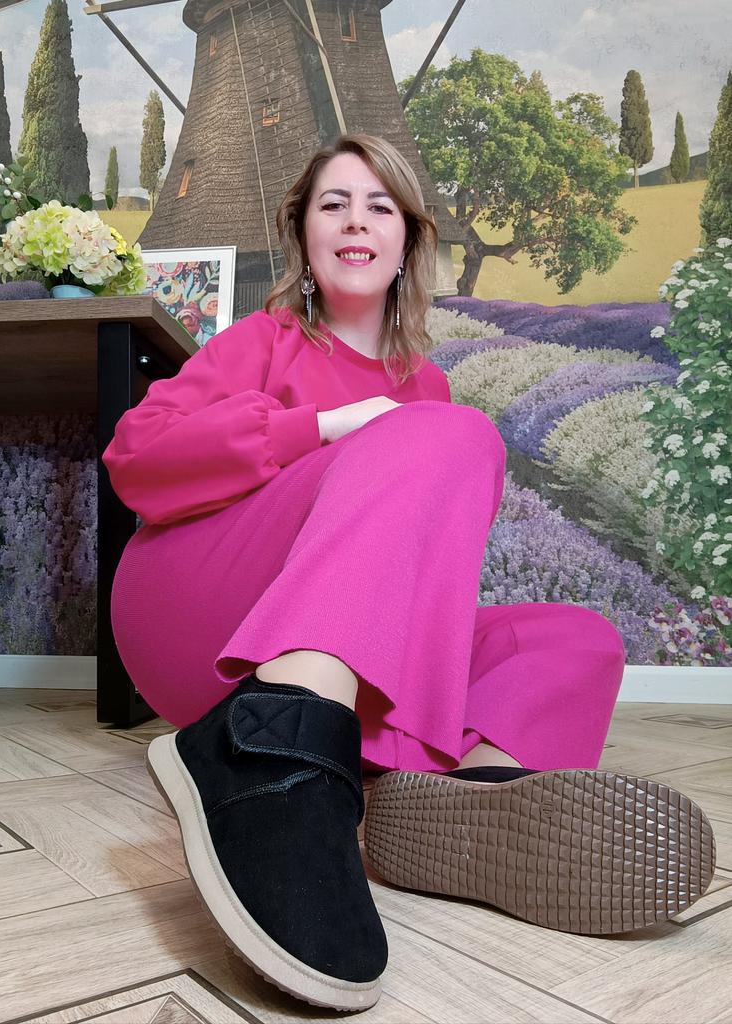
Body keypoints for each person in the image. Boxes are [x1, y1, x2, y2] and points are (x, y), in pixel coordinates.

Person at [102, 133, 715, 1012]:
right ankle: (263, 741)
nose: (356, 221)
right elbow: (136, 460)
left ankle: (464, 800)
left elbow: (405, 588)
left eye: (379, 206)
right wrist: (323, 428)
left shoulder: (428, 387)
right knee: (449, 433)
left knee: (578, 638)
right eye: (333, 204)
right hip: (196, 610)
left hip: (339, 647)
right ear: (303, 236)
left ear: (408, 241)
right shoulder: (261, 341)